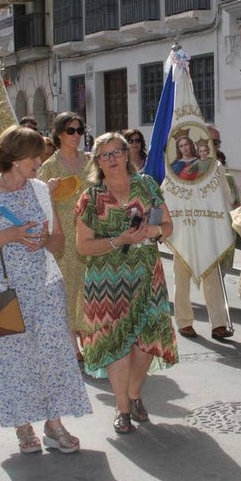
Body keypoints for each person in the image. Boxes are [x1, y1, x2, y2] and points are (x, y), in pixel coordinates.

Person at [0, 125, 91, 455]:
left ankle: (54, 422)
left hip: (45, 287)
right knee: (11, 360)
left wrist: (45, 239)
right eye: (34, 156)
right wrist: (11, 235)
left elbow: (59, 241)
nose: (39, 161)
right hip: (1, 290)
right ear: (16, 158)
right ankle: (23, 426)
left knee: (53, 357)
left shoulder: (39, 191)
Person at [75, 132, 178, 434]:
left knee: (145, 342)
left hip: (146, 275)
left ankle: (135, 393)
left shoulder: (146, 186)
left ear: (127, 154)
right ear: (97, 161)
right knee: (116, 345)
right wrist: (117, 240)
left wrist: (153, 231)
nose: (112, 159)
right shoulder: (91, 197)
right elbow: (83, 246)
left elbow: (168, 225)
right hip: (106, 281)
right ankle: (122, 408)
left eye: (116, 152)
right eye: (104, 155)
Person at [175, 124, 235, 341]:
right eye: (212, 141)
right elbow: (170, 194)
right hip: (185, 229)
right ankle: (184, 321)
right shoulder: (176, 168)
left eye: (217, 142)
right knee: (182, 277)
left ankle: (219, 324)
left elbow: (227, 198)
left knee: (213, 276)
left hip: (209, 228)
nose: (215, 146)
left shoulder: (217, 167)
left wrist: (221, 220)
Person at [39, 113, 91, 357]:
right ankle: (72, 343)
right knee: (69, 288)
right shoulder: (49, 167)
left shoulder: (91, 161)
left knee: (89, 287)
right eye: (71, 131)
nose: (76, 135)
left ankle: (89, 337)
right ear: (59, 134)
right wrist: (48, 191)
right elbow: (38, 204)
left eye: (80, 130)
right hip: (65, 236)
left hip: (91, 231)